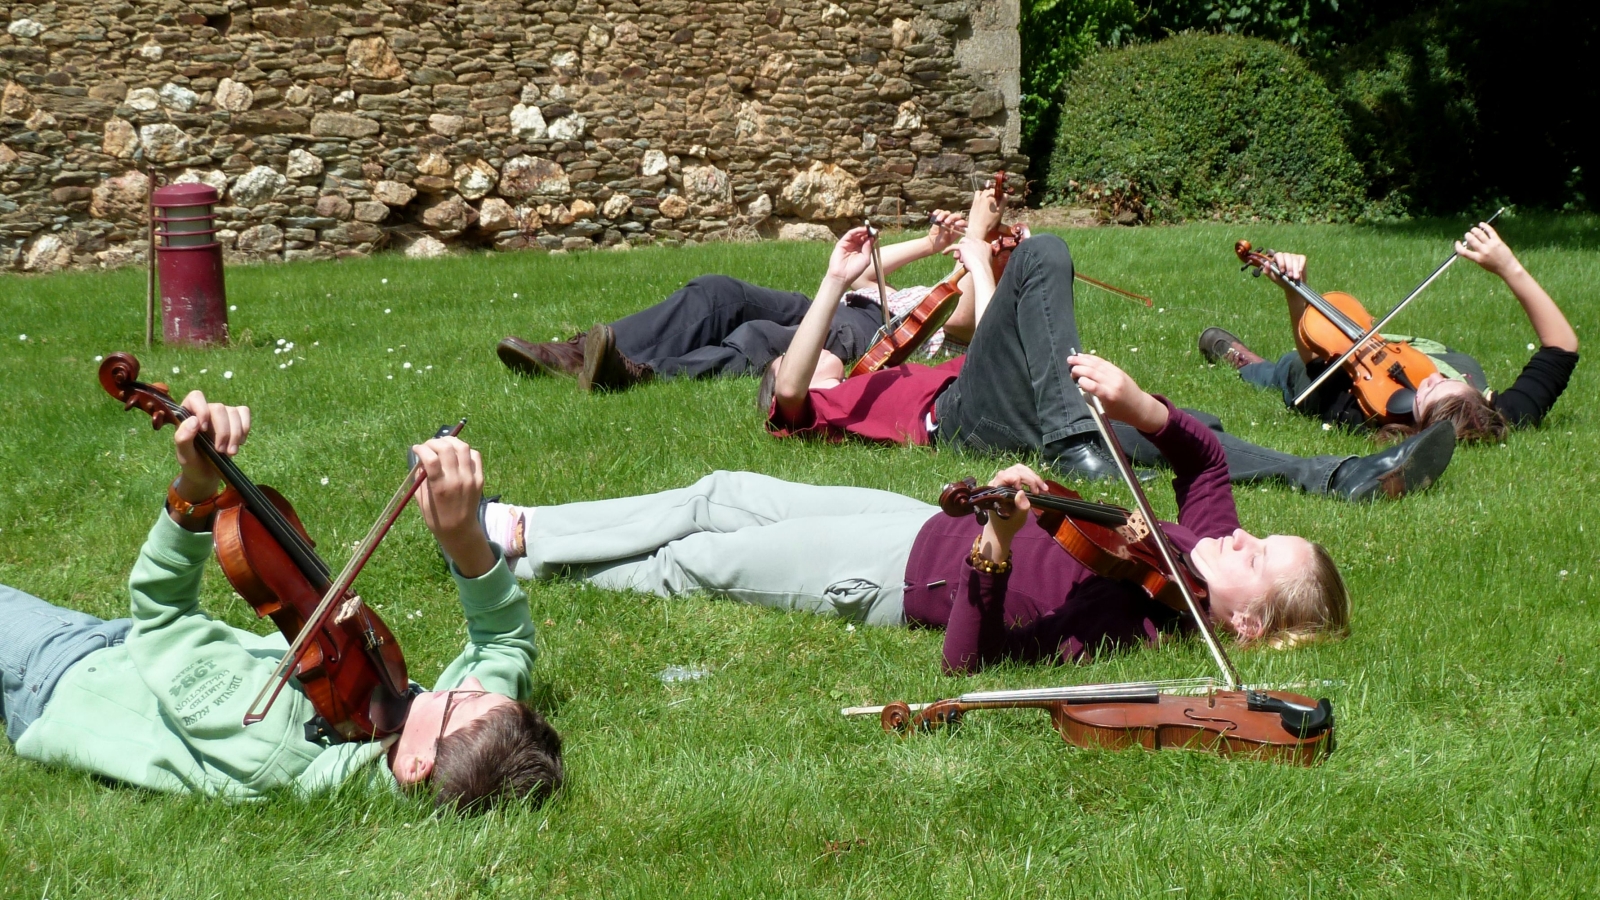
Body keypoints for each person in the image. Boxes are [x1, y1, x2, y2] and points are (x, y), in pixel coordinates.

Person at [478, 355, 1349, 674]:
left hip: (892, 577)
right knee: (721, 492)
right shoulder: (1192, 544)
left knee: (695, 562)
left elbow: (970, 660)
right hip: (909, 520)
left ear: (1244, 624)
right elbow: (1205, 461)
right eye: (1262, 534)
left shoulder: (1130, 627)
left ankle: (525, 552)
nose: (1242, 535)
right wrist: (1139, 407)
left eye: (1258, 558)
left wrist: (997, 541)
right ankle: (533, 528)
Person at [1, 395, 561, 813]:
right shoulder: (427, 728)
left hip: (61, 676)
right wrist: (462, 536)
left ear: (417, 765)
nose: (463, 681)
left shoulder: (270, 743)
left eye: (461, 700)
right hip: (118, 658)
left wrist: (195, 490)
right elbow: (504, 644)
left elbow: (162, 613)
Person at [761, 188, 1458, 501]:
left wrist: (982, 259)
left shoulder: (881, 373)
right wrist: (835, 279)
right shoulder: (825, 403)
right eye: (800, 357)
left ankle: (1340, 476)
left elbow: (989, 328)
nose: (814, 353)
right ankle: (1077, 446)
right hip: (963, 421)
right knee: (1045, 253)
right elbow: (792, 387)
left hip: (1012, 408)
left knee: (1185, 430)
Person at [495, 209, 982, 391]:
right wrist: (930, 245)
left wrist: (979, 244)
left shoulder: (979, 306)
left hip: (871, 333)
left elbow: (963, 317)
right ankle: (576, 353)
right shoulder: (947, 273)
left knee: (758, 336)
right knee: (718, 292)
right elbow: (863, 276)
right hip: (843, 302)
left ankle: (641, 373)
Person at [1200, 221, 1579, 443]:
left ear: (1414, 423)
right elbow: (1562, 347)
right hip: (1386, 346)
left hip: (1317, 372)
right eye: (1447, 380)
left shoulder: (1358, 412)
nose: (1431, 375)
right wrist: (1508, 266)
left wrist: (1295, 290)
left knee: (1283, 372)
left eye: (1426, 390)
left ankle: (1243, 360)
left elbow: (1315, 360)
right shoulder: (1499, 414)